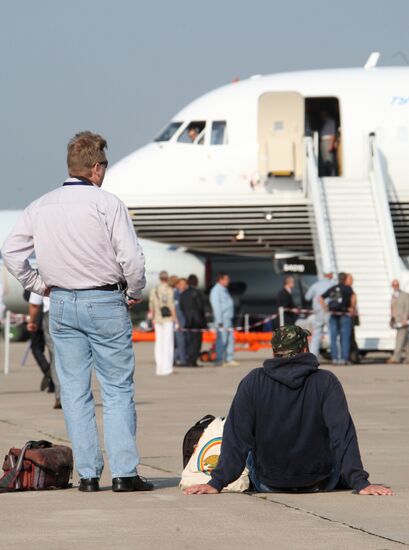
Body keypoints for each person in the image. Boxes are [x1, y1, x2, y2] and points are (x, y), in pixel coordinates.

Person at [1, 131, 153, 493]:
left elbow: (11, 253)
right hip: (104, 301)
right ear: (97, 168)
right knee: (116, 389)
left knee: (74, 391)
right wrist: (134, 291)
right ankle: (123, 473)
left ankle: (87, 475)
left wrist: (39, 285)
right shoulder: (107, 203)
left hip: (63, 304)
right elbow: (131, 258)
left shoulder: (40, 205)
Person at [184, 326, 393, 496]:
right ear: (304, 349)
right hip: (319, 481)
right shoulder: (326, 381)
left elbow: (237, 435)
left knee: (243, 441)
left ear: (274, 351)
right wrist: (360, 482)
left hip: (268, 482)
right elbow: (342, 434)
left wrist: (217, 482)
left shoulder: (253, 381)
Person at [28, 292, 61, 409]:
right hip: (75, 308)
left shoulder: (41, 273)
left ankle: (60, 396)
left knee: (55, 355)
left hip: (51, 314)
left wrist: (32, 321)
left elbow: (35, 303)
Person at [320, 272, 356, 365]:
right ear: (345, 279)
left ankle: (335, 359)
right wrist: (352, 308)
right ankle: (344, 359)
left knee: (333, 337)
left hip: (333, 315)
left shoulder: (333, 288)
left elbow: (320, 297)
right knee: (345, 338)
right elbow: (353, 298)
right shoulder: (348, 289)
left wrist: (325, 308)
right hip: (345, 315)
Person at [149, 270, 176, 376]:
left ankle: (159, 368)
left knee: (159, 343)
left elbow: (151, 306)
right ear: (167, 278)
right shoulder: (169, 290)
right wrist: (175, 318)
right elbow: (171, 305)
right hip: (167, 319)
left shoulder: (154, 290)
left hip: (157, 319)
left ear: (159, 278)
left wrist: (152, 317)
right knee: (168, 343)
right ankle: (167, 368)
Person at [209, 273, 239, 367]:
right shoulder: (216, 290)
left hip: (228, 318)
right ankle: (219, 359)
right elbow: (216, 306)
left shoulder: (224, 290)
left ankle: (229, 358)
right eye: (226, 279)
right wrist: (219, 321)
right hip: (222, 319)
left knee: (230, 339)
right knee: (222, 339)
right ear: (220, 280)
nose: (228, 281)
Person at [180, 274, 207, 367]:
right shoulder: (198, 293)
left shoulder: (183, 293)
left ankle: (188, 359)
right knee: (196, 342)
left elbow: (181, 306)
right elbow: (201, 307)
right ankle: (193, 361)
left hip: (187, 321)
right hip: (197, 321)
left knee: (188, 341)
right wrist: (204, 321)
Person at [304, 272, 333, 358]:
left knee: (316, 334)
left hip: (317, 312)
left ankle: (313, 355)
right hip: (329, 311)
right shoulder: (333, 284)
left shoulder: (315, 285)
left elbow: (307, 297)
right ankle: (335, 354)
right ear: (330, 275)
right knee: (332, 333)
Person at [387, 279, 409, 364]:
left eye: (396, 285)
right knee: (406, 341)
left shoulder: (405, 295)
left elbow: (408, 308)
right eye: (393, 285)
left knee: (399, 339)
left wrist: (406, 319)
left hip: (403, 321)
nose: (395, 286)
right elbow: (393, 308)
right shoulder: (393, 296)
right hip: (396, 321)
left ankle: (396, 358)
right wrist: (392, 319)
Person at [173, 277, 188, 366]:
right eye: (181, 284)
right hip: (177, 321)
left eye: (184, 284)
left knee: (182, 342)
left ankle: (179, 358)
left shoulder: (186, 294)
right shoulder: (175, 295)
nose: (182, 286)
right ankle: (181, 360)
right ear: (177, 285)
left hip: (184, 321)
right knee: (179, 342)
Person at [319, 110, 338, 176]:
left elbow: (332, 134)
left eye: (323, 112)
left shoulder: (331, 121)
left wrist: (330, 144)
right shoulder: (322, 122)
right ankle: (327, 175)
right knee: (324, 161)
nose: (321, 114)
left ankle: (332, 175)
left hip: (328, 141)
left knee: (330, 160)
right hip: (322, 142)